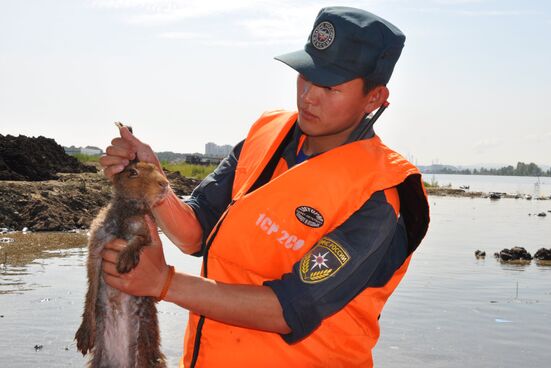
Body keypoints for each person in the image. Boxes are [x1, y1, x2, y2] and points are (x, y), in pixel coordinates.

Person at [99, 6, 430, 367]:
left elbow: (290, 309)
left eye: (330, 87)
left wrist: (164, 283)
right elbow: (194, 234)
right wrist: (151, 181)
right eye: (305, 76)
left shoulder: (381, 195)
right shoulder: (266, 136)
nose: (308, 96)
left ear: (374, 98)